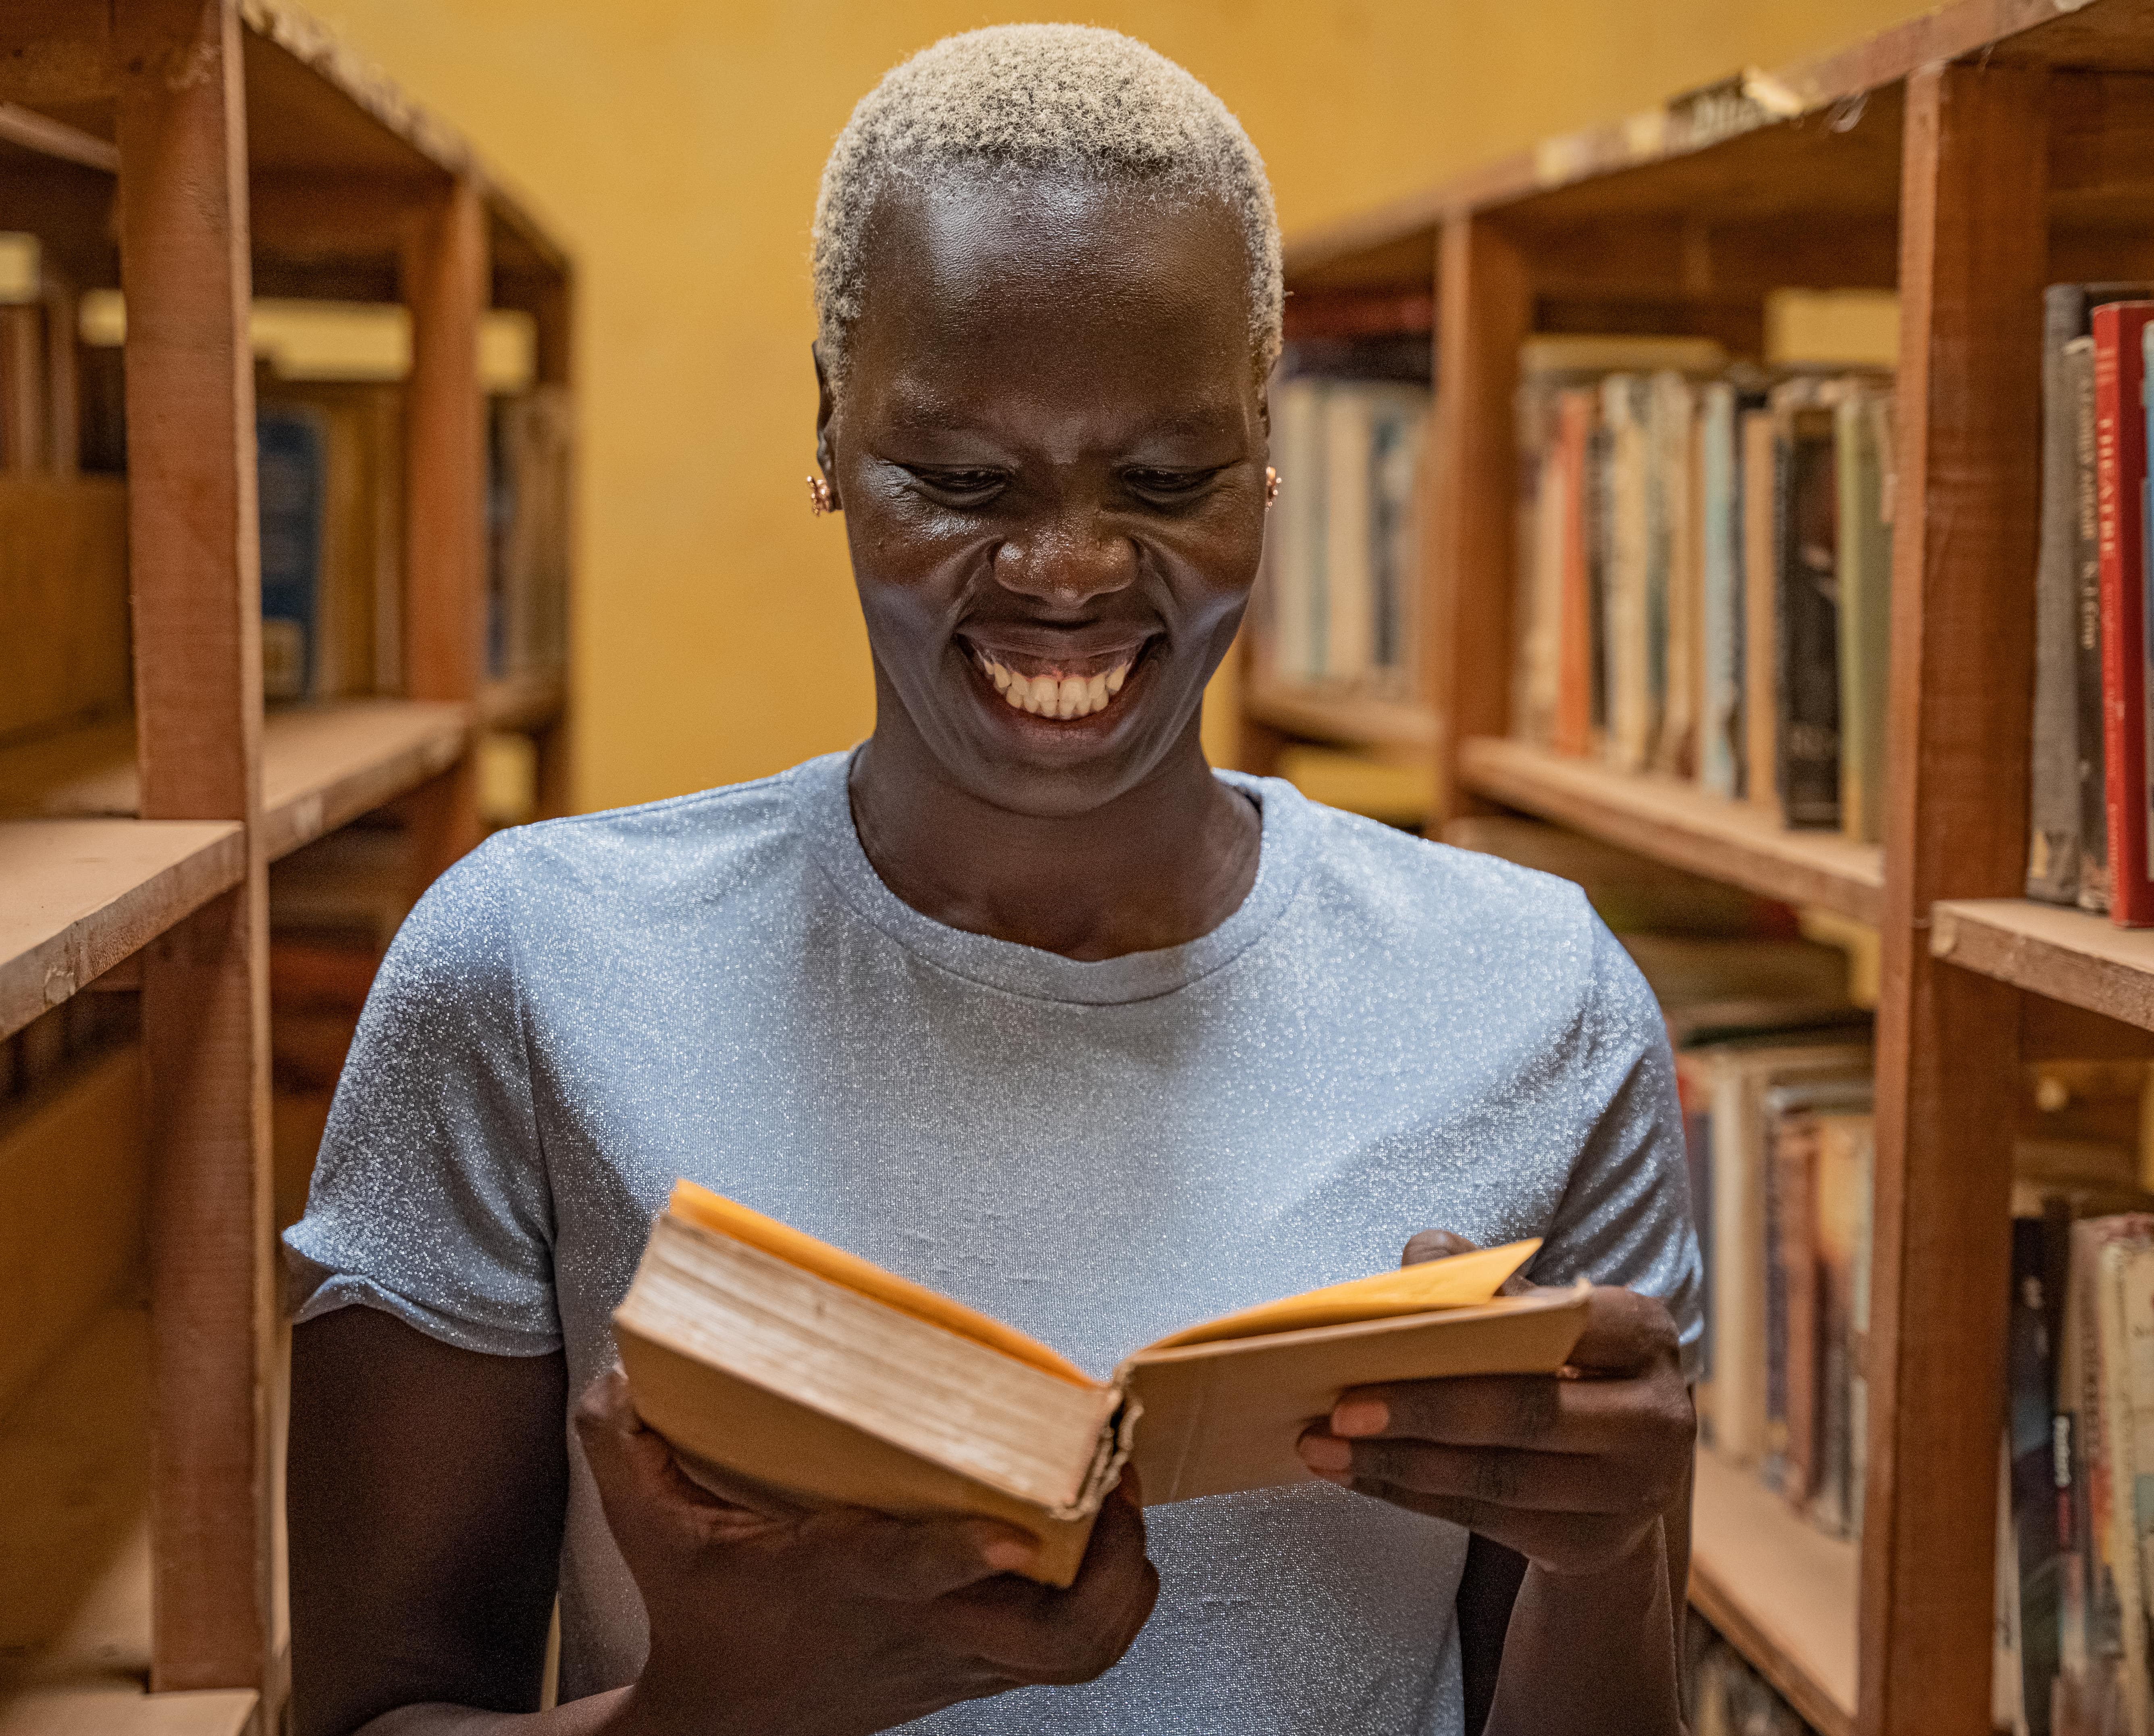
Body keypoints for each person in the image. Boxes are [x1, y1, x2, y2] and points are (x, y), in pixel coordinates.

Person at [285, 24, 1699, 1736]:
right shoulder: (530, 968)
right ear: (829, 433)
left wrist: (1610, 1555)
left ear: (1268, 439)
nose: (1067, 570)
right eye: (960, 481)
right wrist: (713, 1710)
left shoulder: (1531, 1002)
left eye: (1165, 480)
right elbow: (366, 1711)